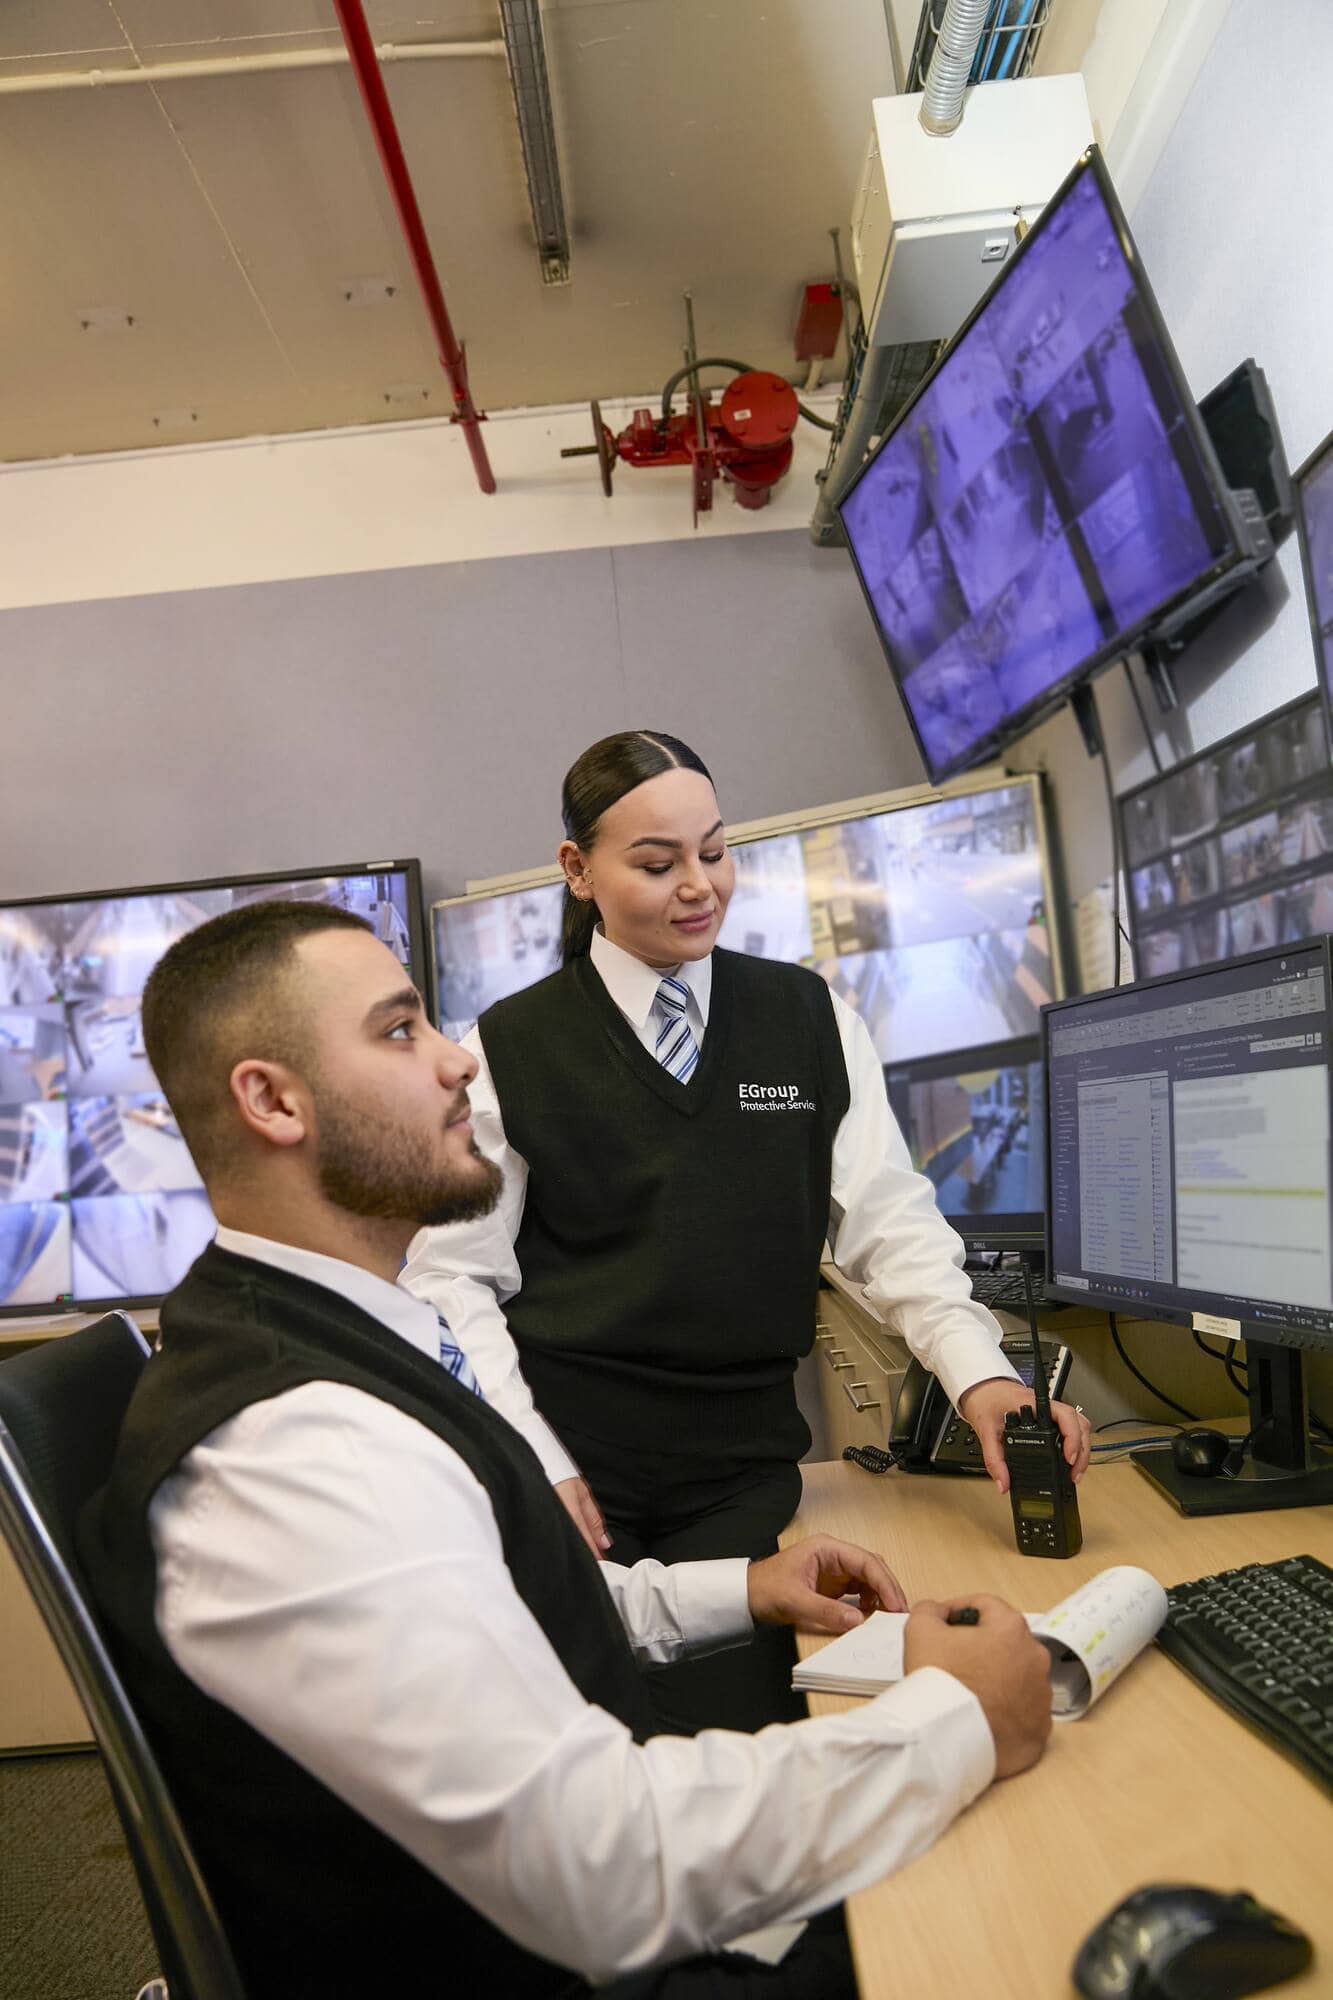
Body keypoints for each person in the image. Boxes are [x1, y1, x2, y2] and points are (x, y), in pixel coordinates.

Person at [80, 900, 1054, 2000]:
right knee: (1016, 1933)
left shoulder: (338, 1332)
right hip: (561, 1959)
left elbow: (498, 1605)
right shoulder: (305, 1446)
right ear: (270, 1098)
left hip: (545, 1921)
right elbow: (596, 1866)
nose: (457, 1061)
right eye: (400, 1032)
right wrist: (950, 1719)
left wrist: (738, 1586)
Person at [403, 730, 1090, 1732]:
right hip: (577, 1473)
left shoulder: (806, 1017)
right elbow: (449, 1278)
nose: (698, 886)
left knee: (737, 1736)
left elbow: (888, 1221)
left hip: (738, 1480)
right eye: (655, 862)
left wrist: (979, 1373)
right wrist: (534, 1456)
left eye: (714, 852)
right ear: (577, 869)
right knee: (589, 1755)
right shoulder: (508, 1047)